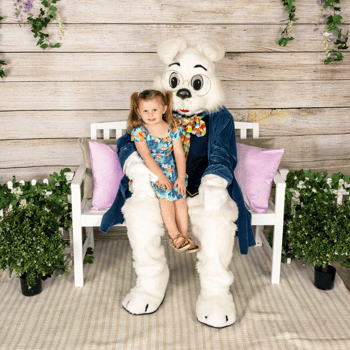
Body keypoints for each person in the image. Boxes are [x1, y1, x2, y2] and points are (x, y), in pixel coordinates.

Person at [127, 89, 199, 253]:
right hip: (152, 174)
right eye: (145, 110)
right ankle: (174, 236)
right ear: (138, 111)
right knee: (166, 198)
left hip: (171, 171)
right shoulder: (140, 132)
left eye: (154, 110)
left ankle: (185, 236)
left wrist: (180, 177)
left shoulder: (172, 129)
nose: (150, 114)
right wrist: (161, 177)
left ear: (164, 109)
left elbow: (179, 154)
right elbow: (146, 157)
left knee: (180, 198)